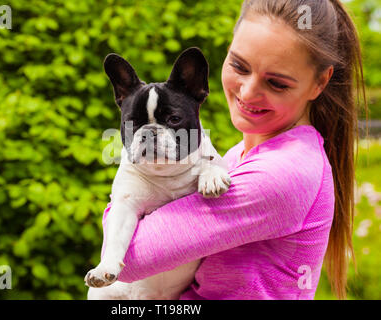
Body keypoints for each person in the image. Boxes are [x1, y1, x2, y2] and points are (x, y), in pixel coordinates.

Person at [101, 0, 367, 299]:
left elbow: (130, 262)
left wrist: (127, 194)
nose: (249, 91)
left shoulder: (281, 173)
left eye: (277, 83)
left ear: (320, 82)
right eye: (239, 66)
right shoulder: (237, 156)